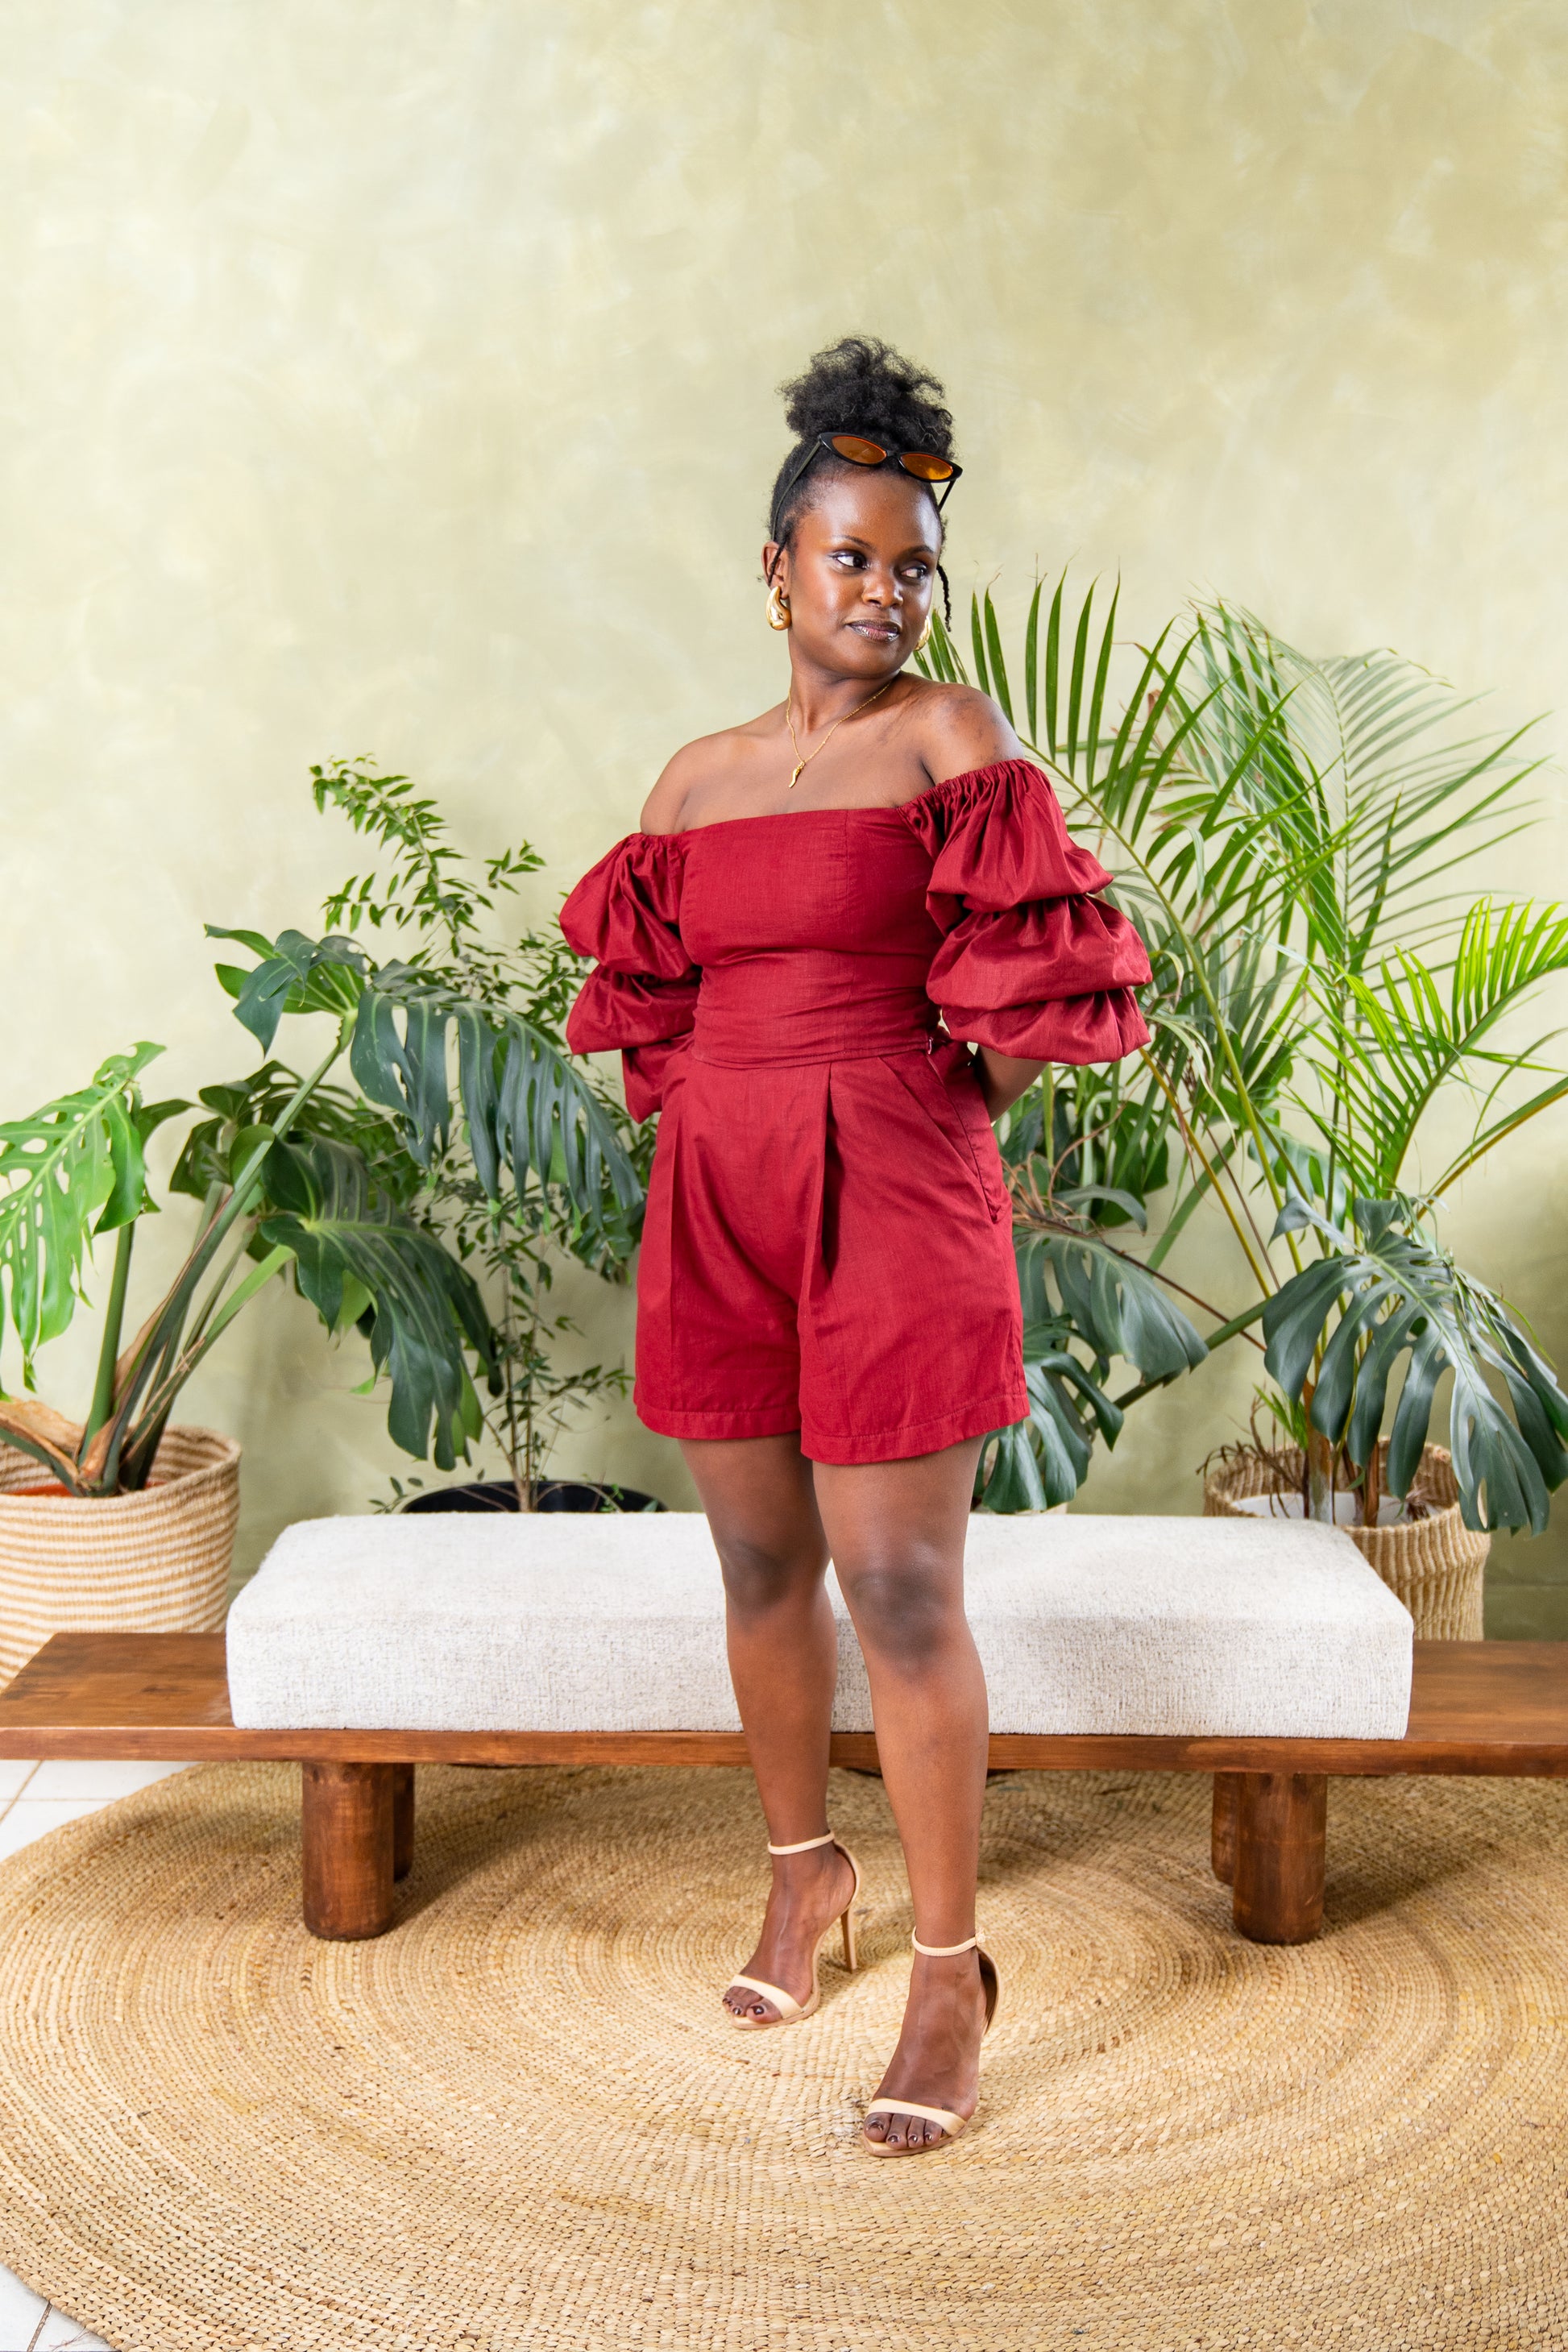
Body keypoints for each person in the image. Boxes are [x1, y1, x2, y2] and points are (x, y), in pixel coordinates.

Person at [561, 335, 1149, 2156]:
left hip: (894, 1186)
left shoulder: (951, 737)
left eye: (913, 565)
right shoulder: (692, 780)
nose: (885, 590)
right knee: (756, 1563)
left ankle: (949, 1971)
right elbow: (651, 1012)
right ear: (776, 569)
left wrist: (917, 1100)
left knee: (897, 1589)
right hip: (720, 1195)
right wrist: (733, 1123)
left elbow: (1039, 970)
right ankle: (802, 1872)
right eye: (850, 556)